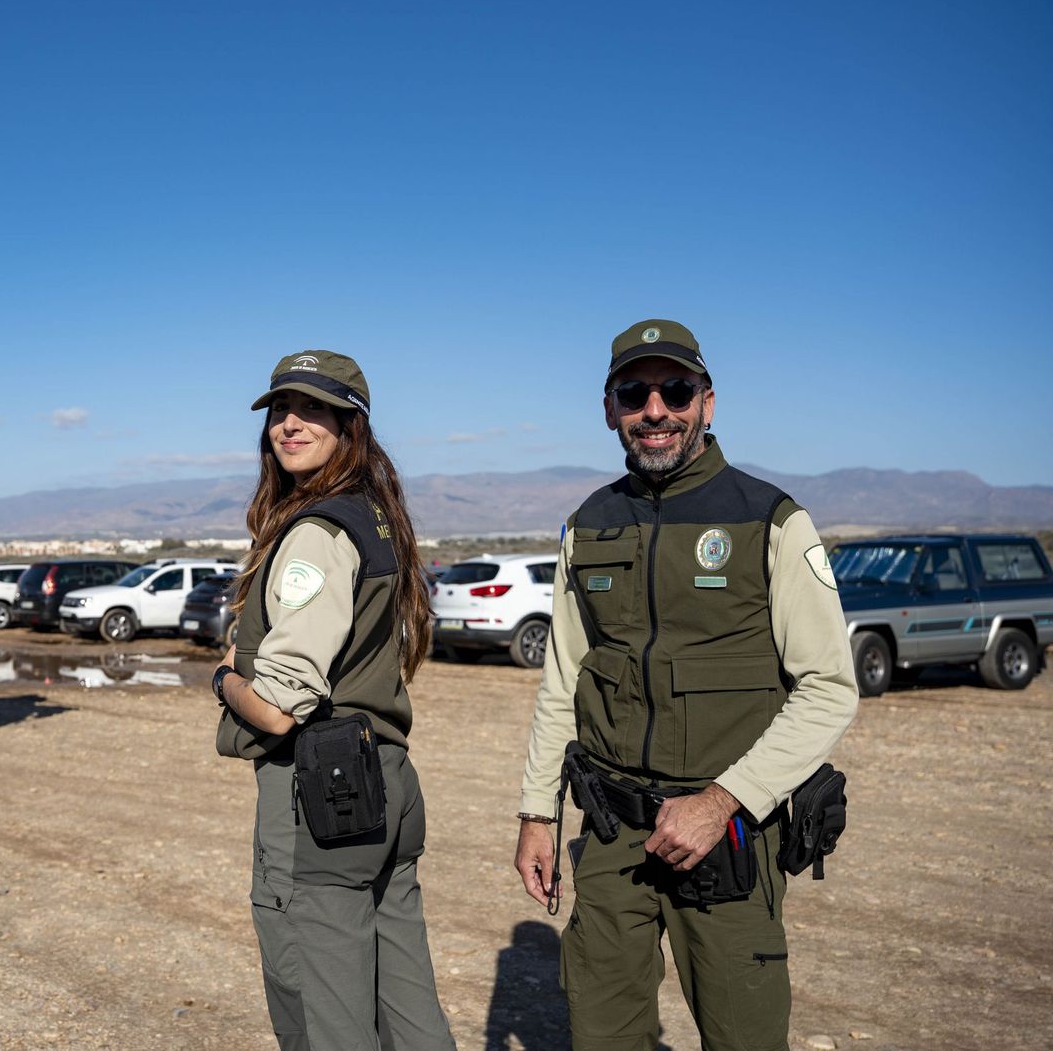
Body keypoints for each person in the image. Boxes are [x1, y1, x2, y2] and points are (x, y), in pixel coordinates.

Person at [511, 319, 859, 1051]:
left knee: (743, 1037)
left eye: (675, 390)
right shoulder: (588, 525)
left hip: (726, 836)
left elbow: (829, 686)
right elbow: (564, 680)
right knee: (602, 1037)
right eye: (634, 393)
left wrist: (720, 801)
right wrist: (538, 813)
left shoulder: (771, 519)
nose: (655, 410)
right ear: (610, 408)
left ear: (707, 402)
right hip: (612, 832)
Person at [213, 350, 456, 1051]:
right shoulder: (375, 517)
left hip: (320, 794)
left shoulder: (316, 534)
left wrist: (224, 679)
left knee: (323, 1016)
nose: (290, 424)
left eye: (313, 409)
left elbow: (278, 707)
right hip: (385, 776)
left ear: (351, 425)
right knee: (407, 1004)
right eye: (280, 410)